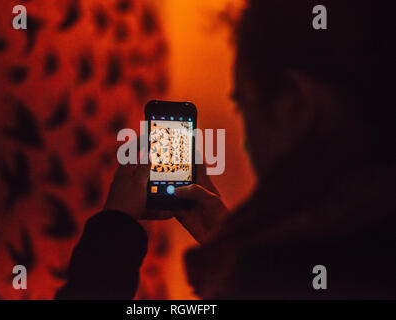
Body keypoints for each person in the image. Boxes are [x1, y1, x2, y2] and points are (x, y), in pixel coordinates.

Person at [56, 0, 395, 299]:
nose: (246, 142)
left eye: (243, 106)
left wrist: (114, 233)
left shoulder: (291, 268)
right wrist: (231, 247)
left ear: (291, 104)